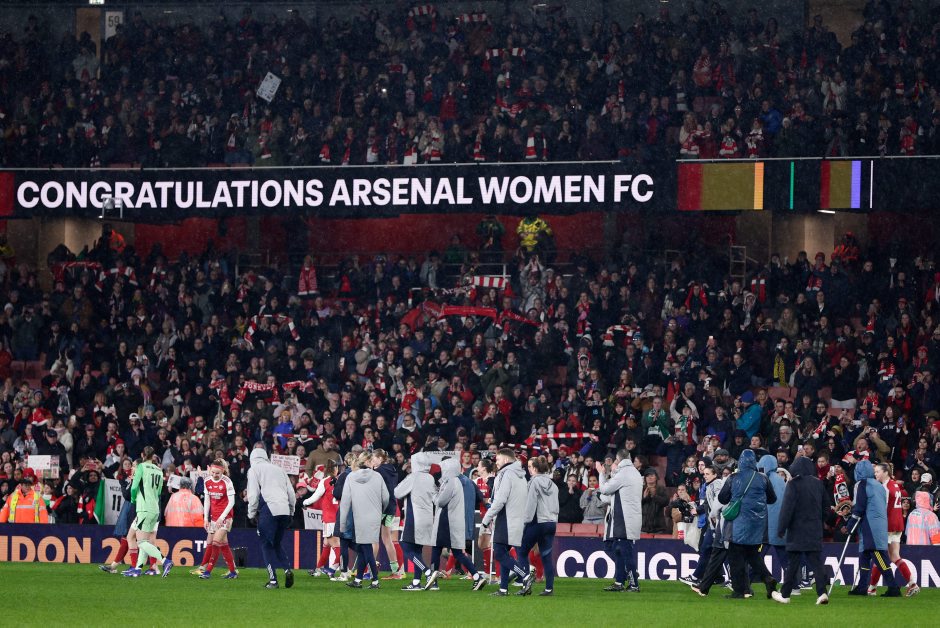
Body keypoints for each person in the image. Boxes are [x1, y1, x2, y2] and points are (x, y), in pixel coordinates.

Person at [717, 449, 778, 599]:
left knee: (735, 557)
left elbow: (722, 498)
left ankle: (739, 590)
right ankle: (767, 578)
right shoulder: (763, 479)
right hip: (757, 524)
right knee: (753, 555)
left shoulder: (733, 478)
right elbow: (772, 499)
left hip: (737, 524)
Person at [772, 455, 831, 605]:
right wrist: (819, 520)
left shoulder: (793, 484)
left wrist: (781, 528)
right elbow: (826, 507)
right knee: (816, 563)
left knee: (792, 564)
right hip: (814, 529)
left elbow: (787, 509)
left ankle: (785, 595)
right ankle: (822, 593)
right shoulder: (818, 484)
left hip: (797, 530)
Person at [429, 457, 487, 591]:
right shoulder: (461, 481)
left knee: (436, 548)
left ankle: (433, 581)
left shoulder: (451, 481)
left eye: (443, 468)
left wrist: (433, 494)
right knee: (457, 552)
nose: (442, 470)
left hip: (446, 520)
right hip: (456, 520)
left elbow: (441, 502)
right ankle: (477, 577)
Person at [480, 448, 531, 596]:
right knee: (504, 554)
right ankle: (503, 589)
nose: (496, 462)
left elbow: (500, 500)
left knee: (499, 553)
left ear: (506, 459)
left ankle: (525, 575)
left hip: (505, 519)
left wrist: (486, 519)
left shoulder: (505, 474)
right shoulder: (521, 475)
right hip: (517, 519)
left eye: (498, 459)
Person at [247, 445, 297, 589]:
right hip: (284, 509)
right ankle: (287, 569)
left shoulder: (254, 469)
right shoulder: (279, 469)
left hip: (269, 509)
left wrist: (251, 514)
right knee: (276, 543)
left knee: (266, 544)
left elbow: (253, 494)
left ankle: (273, 580)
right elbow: (291, 493)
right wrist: (291, 511)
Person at [339, 450, 389, 589]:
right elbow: (386, 498)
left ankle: (375, 580)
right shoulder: (377, 476)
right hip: (375, 516)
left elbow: (345, 503)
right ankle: (358, 579)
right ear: (369, 462)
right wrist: (380, 510)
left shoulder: (350, 477)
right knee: (363, 547)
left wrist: (342, 524)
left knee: (366, 547)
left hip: (359, 517)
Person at [596, 449, 643, 592]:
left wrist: (601, 473)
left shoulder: (623, 474)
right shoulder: (635, 473)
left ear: (619, 459)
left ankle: (634, 584)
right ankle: (619, 581)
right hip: (630, 517)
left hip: (624, 519)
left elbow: (605, 489)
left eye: (616, 460)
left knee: (626, 552)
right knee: (618, 550)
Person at [122, 447, 173, 578]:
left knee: (141, 542)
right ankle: (138, 569)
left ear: (142, 455)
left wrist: (133, 499)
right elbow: (159, 490)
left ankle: (165, 561)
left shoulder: (141, 467)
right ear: (153, 456)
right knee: (144, 540)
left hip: (144, 508)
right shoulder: (159, 470)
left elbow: (134, 487)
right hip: (155, 508)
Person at [869, 463, 918, 597]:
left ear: (885, 472)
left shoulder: (884, 488)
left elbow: (882, 510)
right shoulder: (895, 485)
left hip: (887, 526)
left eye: (878, 471)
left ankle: (872, 588)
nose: (875, 474)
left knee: (879, 557)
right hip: (898, 524)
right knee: (895, 556)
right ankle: (912, 583)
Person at [394, 452, 437, 591]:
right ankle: (416, 582)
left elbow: (397, 492)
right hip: (428, 518)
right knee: (417, 550)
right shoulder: (430, 478)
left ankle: (427, 572)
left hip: (414, 518)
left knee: (406, 547)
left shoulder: (413, 477)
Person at [517, 455, 559, 596]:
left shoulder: (533, 482)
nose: (529, 470)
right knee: (546, 556)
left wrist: (525, 522)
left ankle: (526, 585)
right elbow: (556, 506)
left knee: (522, 551)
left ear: (535, 468)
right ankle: (549, 589)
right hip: (551, 522)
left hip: (537, 522)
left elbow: (530, 505)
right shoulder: (553, 485)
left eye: (530, 467)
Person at [847, 460, 890, 596]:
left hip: (870, 525)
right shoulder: (879, 485)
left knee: (877, 555)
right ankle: (862, 587)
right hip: (879, 523)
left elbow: (859, 507)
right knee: (864, 556)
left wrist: (850, 524)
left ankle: (893, 586)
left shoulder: (862, 484)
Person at [690, 466, 731, 597]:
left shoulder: (716, 484)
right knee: (710, 551)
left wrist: (715, 518)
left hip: (718, 524)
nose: (705, 476)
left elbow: (719, 502)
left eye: (708, 474)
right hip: (714, 524)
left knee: (713, 551)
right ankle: (715, 578)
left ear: (714, 474)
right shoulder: (709, 485)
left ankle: (698, 578)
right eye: (704, 474)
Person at [199, 460, 238, 580]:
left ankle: (207, 571)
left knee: (215, 543)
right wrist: (205, 518)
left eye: (217, 473)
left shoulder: (227, 481)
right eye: (213, 472)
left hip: (226, 517)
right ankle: (233, 572)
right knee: (223, 545)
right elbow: (207, 500)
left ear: (222, 471)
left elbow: (232, 502)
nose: (215, 475)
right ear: (210, 470)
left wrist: (222, 518)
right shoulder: (207, 481)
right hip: (213, 517)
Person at [370, 449, 403, 579]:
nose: (372, 461)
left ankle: (370, 570)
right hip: (391, 508)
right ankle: (396, 571)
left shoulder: (378, 472)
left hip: (381, 508)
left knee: (374, 539)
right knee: (387, 539)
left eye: (373, 458)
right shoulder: (392, 469)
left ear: (380, 458)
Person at [304, 459, 340, 577]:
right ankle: (318, 569)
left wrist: (305, 502)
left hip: (330, 518)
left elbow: (316, 496)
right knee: (326, 543)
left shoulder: (325, 481)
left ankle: (334, 569)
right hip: (339, 517)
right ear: (335, 469)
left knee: (335, 545)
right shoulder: (340, 481)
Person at [99, 462, 136, 573]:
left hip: (139, 509)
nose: (131, 467)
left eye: (133, 465)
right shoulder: (125, 479)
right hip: (132, 509)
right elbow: (127, 495)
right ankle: (115, 566)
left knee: (141, 540)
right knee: (130, 537)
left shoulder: (139, 479)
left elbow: (129, 495)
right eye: (130, 465)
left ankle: (144, 566)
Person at [759, 454, 787, 580]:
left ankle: (744, 582)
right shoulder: (780, 480)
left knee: (756, 556)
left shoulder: (766, 480)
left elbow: (764, 502)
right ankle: (795, 583)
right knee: (783, 556)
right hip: (780, 524)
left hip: (768, 524)